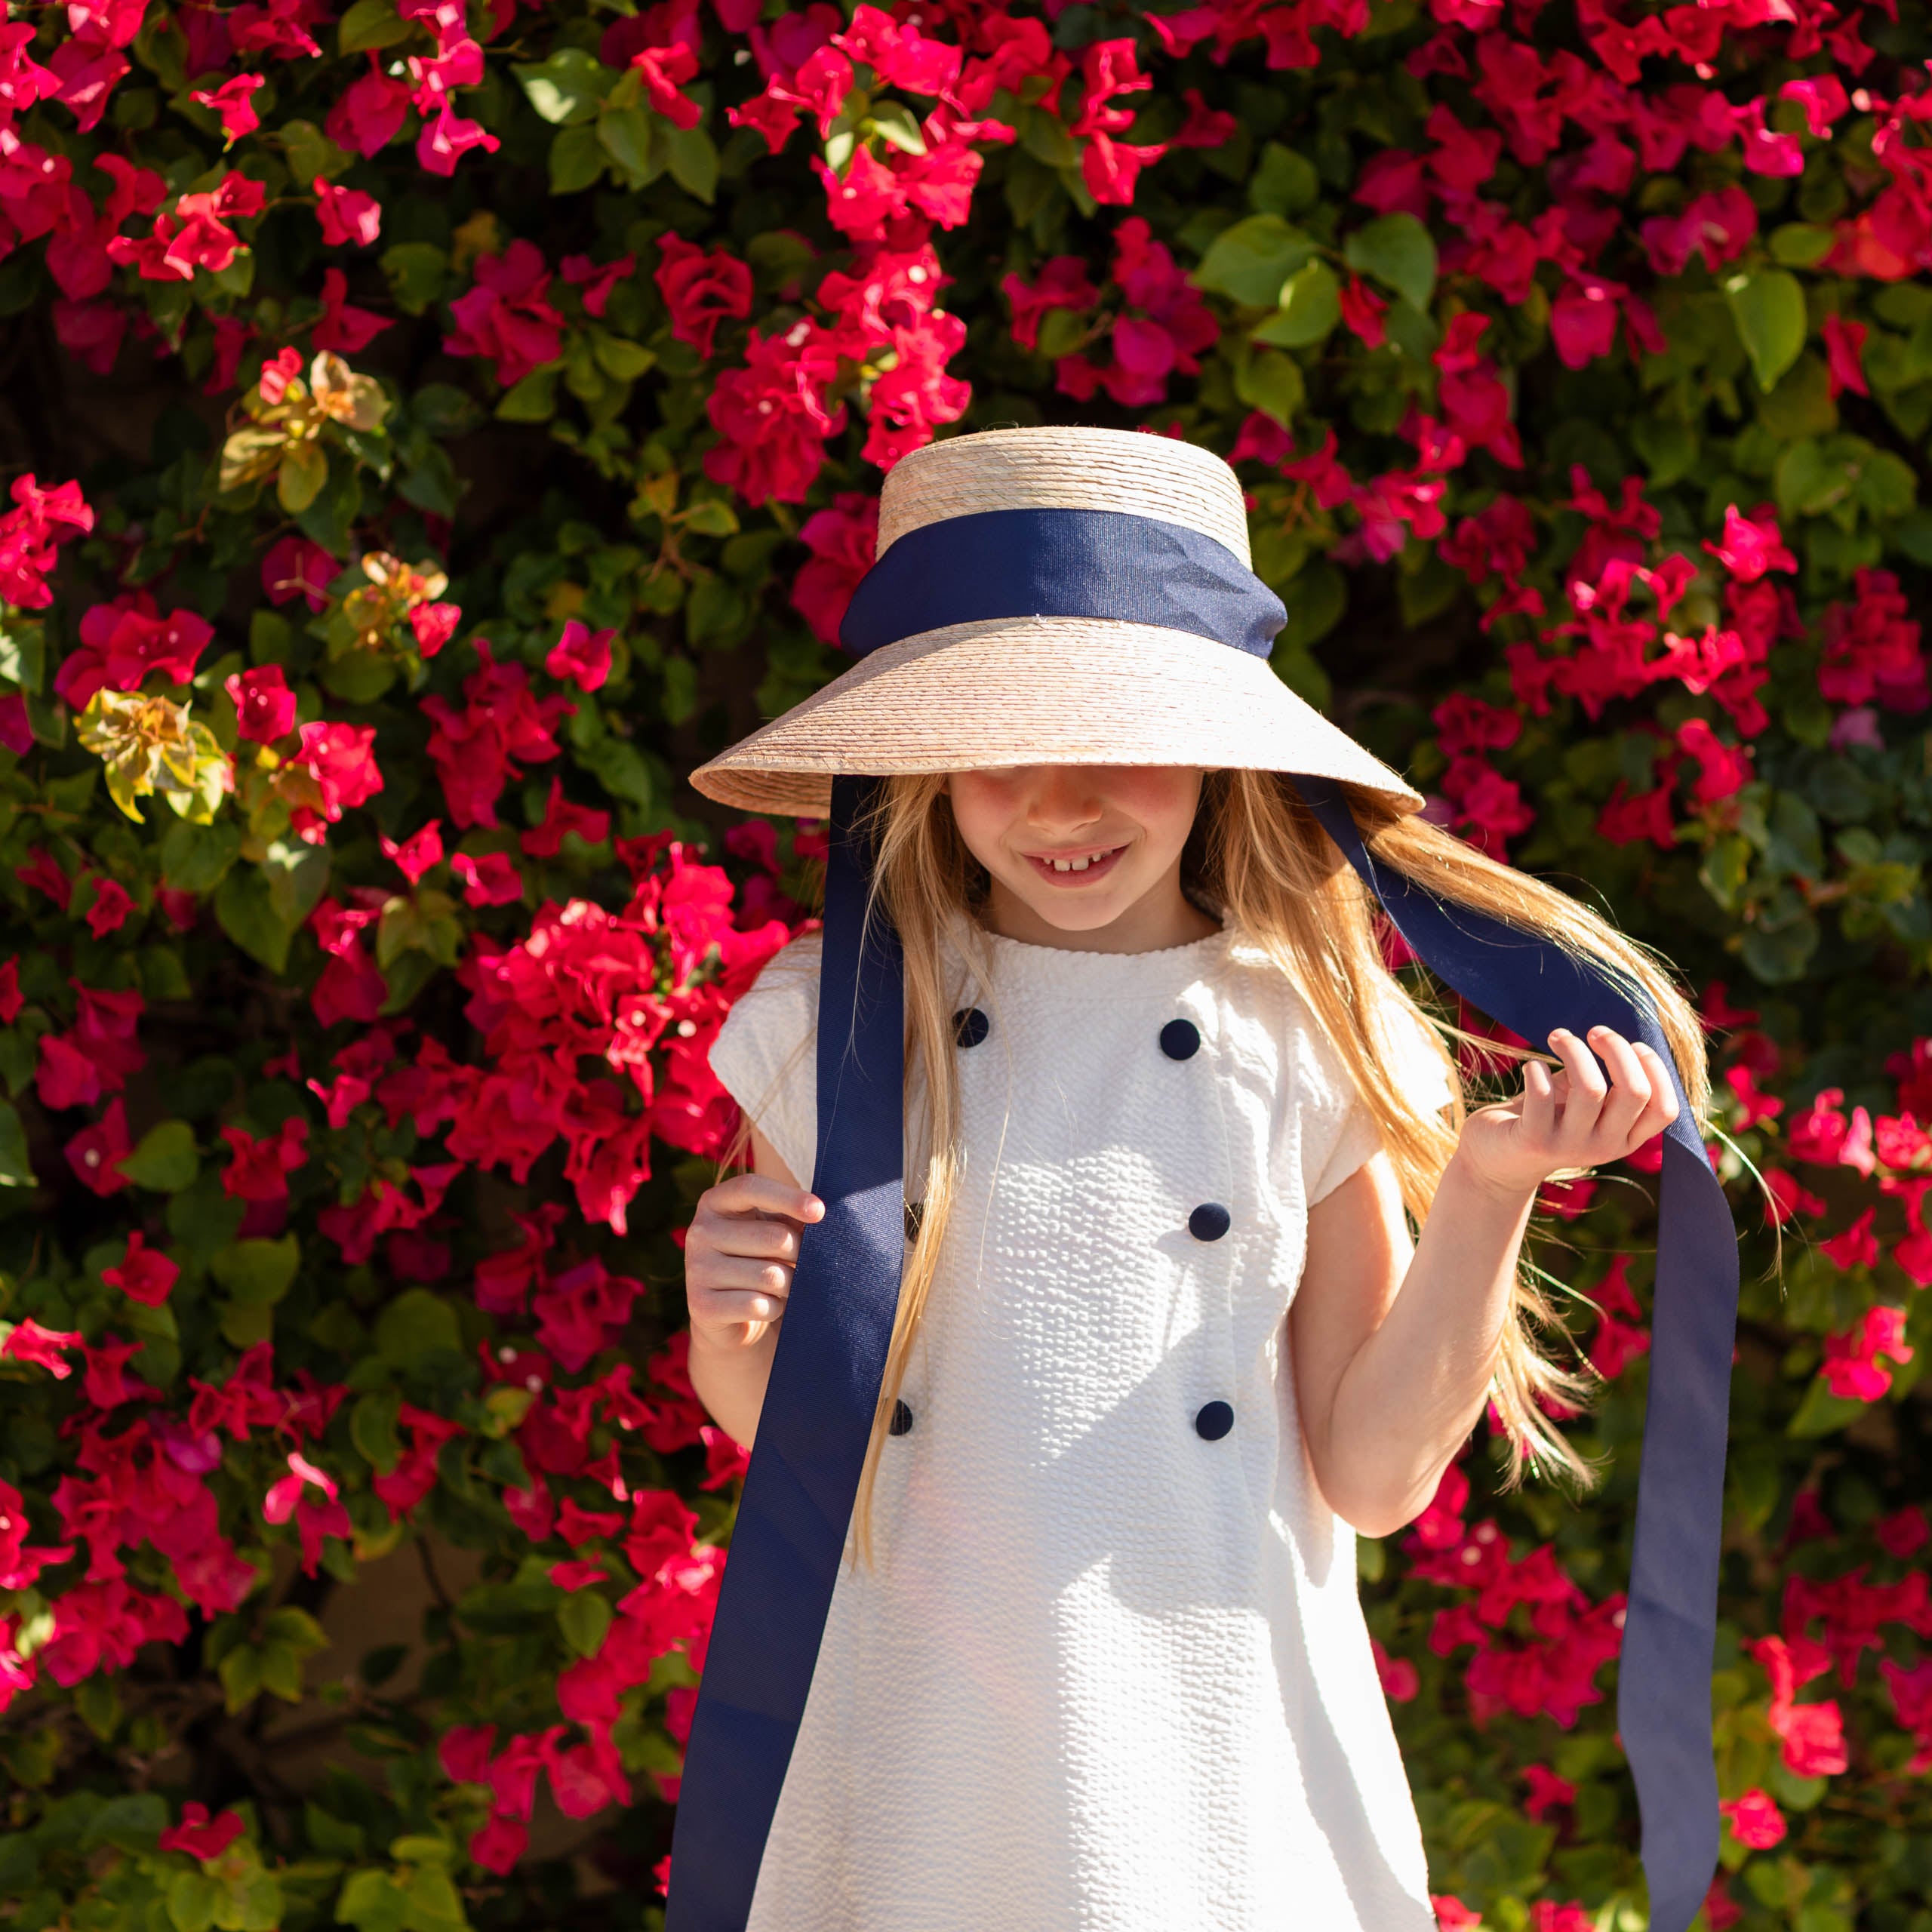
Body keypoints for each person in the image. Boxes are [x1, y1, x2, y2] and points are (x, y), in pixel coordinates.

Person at [669, 427, 1726, 1932]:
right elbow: (807, 1440)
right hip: (917, 1750)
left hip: (1212, 1757)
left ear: (1220, 744)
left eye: (1117, 734)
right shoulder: (838, 1019)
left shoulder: (1298, 1030)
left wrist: (1488, 1186)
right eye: (995, 748)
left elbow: (1368, 1469)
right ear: (925, 767)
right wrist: (726, 1331)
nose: (1058, 802)